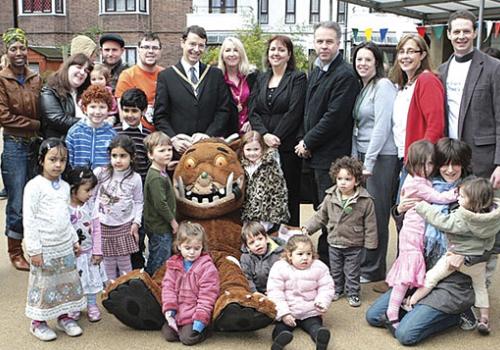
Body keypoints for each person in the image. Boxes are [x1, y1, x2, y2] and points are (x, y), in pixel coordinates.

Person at [366, 138, 477, 345]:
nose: (450, 170)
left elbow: (493, 240)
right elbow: (409, 231)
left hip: (452, 279)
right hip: (420, 270)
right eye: (444, 163)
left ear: (464, 163)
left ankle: (458, 313)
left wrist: (465, 253)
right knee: (374, 316)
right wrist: (399, 210)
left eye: (456, 163)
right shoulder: (425, 185)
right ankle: (418, 305)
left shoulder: (474, 192)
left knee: (406, 334)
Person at [295, 21, 360, 265]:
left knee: (331, 210)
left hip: (330, 154)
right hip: (314, 153)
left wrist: (308, 141)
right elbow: (308, 110)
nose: (324, 46)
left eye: (329, 41)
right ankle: (323, 256)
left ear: (338, 43)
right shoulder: (318, 68)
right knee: (320, 207)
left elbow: (334, 116)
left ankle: (330, 263)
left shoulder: (344, 74)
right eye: (320, 41)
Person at [409, 178, 499, 335]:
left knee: (431, 277)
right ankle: (484, 319)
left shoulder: (463, 218)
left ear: (475, 202)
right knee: (481, 287)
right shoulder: (492, 219)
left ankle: (412, 301)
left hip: (455, 256)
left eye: (463, 197)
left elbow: (443, 222)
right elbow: (490, 243)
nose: (458, 198)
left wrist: (422, 207)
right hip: (477, 262)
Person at [384, 140, 458, 331]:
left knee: (407, 274)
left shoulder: (422, 180)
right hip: (412, 234)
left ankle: (396, 310)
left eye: (430, 163)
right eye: (422, 164)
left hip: (416, 235)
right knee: (405, 276)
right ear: (412, 164)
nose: (427, 168)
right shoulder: (417, 182)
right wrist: (457, 193)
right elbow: (439, 198)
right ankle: (392, 313)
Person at [24, 138, 86, 341]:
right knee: (43, 285)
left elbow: (66, 217)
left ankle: (65, 316)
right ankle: (38, 322)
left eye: (62, 160)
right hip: (44, 246)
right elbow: (30, 219)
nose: (58, 164)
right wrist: (34, 250)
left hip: (63, 245)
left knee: (64, 282)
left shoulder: (66, 187)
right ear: (42, 160)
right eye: (53, 159)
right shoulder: (34, 187)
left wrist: (73, 240)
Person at [351, 42, 399, 286]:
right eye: (359, 59)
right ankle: (366, 263)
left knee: (377, 214)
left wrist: (368, 161)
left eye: (368, 60)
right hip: (363, 156)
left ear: (377, 63)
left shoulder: (383, 86)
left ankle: (374, 268)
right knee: (364, 213)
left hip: (381, 158)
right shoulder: (364, 87)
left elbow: (381, 127)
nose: (363, 64)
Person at [302, 156, 377, 307]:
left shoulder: (365, 200)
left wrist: (370, 243)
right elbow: (320, 216)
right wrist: (308, 228)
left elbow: (370, 224)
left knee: (352, 271)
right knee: (335, 269)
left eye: (348, 179)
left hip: (354, 242)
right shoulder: (330, 197)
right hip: (334, 240)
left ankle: (353, 292)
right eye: (340, 178)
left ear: (356, 181)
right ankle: (336, 289)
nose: (343, 182)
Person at [249, 35, 306, 226]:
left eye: (281, 50)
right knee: (264, 193)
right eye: (273, 49)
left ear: (289, 55)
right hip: (263, 147)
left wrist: (277, 137)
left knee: (288, 194)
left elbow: (295, 111)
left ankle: (291, 239)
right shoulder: (261, 78)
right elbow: (253, 111)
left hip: (286, 147)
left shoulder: (297, 78)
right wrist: (264, 135)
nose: (276, 53)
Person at [438, 10, 500, 186]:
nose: (461, 36)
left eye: (466, 31)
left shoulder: (494, 68)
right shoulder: (442, 70)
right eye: (456, 32)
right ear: (449, 34)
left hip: (483, 161)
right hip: (450, 160)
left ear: (475, 32)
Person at [0, 28, 42, 271]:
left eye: (22, 48)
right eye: (14, 48)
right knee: (16, 201)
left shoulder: (36, 78)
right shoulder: (2, 79)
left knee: (35, 199)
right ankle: (15, 251)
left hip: (34, 146)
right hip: (15, 145)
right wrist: (35, 124)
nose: (19, 53)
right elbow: (4, 116)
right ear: (7, 51)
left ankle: (34, 246)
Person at [153, 25, 232, 154]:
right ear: (182, 43)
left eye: (201, 45)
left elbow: (223, 110)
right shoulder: (167, 76)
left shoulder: (214, 75)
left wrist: (208, 135)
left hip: (208, 148)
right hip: (180, 150)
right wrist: (174, 140)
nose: (196, 50)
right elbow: (160, 116)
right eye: (192, 44)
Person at [390, 33, 445, 193]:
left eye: (411, 51)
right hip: (405, 158)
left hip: (419, 163)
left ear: (423, 55)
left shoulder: (427, 80)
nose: (405, 56)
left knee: (410, 213)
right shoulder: (405, 85)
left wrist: (422, 162)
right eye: (401, 51)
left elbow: (436, 125)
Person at [267, 234, 333, 350]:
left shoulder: (320, 267)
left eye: (309, 254)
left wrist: (322, 302)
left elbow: (326, 287)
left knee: (314, 325)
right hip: (289, 310)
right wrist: (284, 313)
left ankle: (320, 337)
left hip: (310, 310)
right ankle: (279, 341)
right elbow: (275, 292)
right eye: (300, 254)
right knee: (281, 328)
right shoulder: (279, 267)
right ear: (289, 255)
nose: (305, 258)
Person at [161, 221, 220, 345]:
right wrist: (170, 308)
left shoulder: (207, 268)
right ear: (179, 246)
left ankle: (206, 330)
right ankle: (182, 327)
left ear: (202, 247)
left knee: (187, 339)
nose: (192, 252)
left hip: (196, 313)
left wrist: (201, 319)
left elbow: (207, 296)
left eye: (196, 248)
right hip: (179, 312)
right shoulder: (173, 265)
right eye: (187, 248)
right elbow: (168, 287)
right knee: (168, 335)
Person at [93, 135, 143, 280]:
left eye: (123, 156)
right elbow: (91, 197)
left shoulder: (135, 178)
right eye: (114, 155)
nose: (118, 160)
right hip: (103, 224)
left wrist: (136, 223)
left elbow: (139, 201)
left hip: (124, 226)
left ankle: (125, 290)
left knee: (124, 262)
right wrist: (91, 221)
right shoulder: (101, 173)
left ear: (132, 157)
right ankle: (110, 291)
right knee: (107, 261)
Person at [66, 166, 107, 323]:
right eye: (87, 190)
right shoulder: (65, 207)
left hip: (89, 252)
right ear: (73, 189)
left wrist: (97, 250)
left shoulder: (91, 205)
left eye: (92, 190)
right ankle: (75, 305)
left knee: (90, 279)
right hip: (73, 253)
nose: (90, 194)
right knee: (73, 280)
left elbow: (96, 229)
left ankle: (91, 304)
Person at [239, 131, 289, 232]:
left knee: (262, 236)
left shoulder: (270, 166)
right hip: (246, 213)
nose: (252, 153)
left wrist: (276, 215)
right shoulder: (241, 166)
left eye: (256, 149)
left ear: (262, 148)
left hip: (265, 214)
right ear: (242, 150)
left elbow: (279, 191)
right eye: (248, 149)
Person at [143, 131, 178, 276]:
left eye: (169, 149)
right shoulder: (156, 178)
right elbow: (161, 204)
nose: (167, 153)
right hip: (160, 227)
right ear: (151, 155)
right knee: (160, 260)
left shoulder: (160, 171)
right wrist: (173, 222)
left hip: (159, 226)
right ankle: (154, 283)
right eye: (162, 150)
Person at [115, 32, 163, 130]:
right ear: (138, 50)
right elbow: (123, 114)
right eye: (146, 47)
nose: (150, 51)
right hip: (137, 134)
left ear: (160, 51)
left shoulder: (167, 75)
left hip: (162, 135)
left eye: (155, 48)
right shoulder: (127, 76)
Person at [40, 53, 94, 139]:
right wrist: (90, 122)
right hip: (60, 145)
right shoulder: (50, 91)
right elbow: (57, 119)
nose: (82, 72)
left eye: (86, 71)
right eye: (79, 67)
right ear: (67, 68)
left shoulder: (86, 92)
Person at [65, 85, 117, 169]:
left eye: (102, 107)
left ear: (108, 110)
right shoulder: (74, 132)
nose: (97, 112)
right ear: (85, 109)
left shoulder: (112, 134)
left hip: (104, 180)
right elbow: (68, 160)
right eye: (92, 107)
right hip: (79, 179)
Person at [218, 36, 258, 135]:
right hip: (227, 135)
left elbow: (259, 104)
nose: (232, 54)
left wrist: (252, 122)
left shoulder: (252, 76)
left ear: (241, 54)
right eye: (227, 50)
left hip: (251, 135)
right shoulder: (216, 78)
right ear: (222, 55)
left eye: (236, 50)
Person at [114, 88, 151, 183]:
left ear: (144, 111)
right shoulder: (114, 132)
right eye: (126, 110)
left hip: (140, 188)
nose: (130, 115)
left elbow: (149, 166)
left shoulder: (148, 136)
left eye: (134, 111)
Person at [239, 221, 284, 295]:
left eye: (260, 239)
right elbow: (247, 278)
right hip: (258, 293)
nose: (257, 244)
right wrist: (254, 292)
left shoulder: (279, 253)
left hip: (279, 290)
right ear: (247, 247)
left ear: (266, 239)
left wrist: (276, 290)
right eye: (252, 242)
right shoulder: (246, 258)